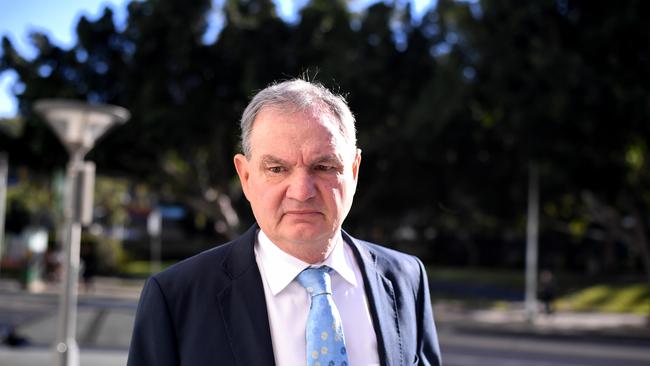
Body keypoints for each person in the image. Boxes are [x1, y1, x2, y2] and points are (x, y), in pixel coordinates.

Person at [127, 79, 442, 366]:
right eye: (277, 169)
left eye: (323, 166)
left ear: (354, 171)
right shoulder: (176, 299)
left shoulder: (405, 279)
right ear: (246, 176)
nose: (302, 192)